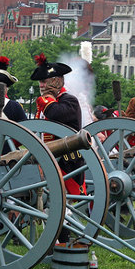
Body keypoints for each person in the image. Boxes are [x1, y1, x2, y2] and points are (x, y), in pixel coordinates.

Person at [31, 52, 84, 244]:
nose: (41, 86)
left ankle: (63, 241)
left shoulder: (68, 100)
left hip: (66, 162)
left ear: (56, 81)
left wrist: (46, 100)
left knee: (62, 205)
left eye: (45, 82)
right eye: (40, 82)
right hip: (46, 160)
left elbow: (55, 114)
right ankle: (52, 242)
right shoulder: (45, 102)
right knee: (48, 205)